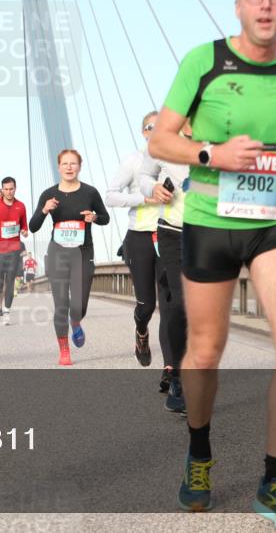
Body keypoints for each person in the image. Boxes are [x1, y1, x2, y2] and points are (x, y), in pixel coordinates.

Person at [148, 0, 276, 529]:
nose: (266, 6)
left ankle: (274, 483)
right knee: (205, 352)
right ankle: (199, 453)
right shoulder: (203, 61)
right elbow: (161, 139)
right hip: (209, 218)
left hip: (273, 217)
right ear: (238, 5)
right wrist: (212, 154)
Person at [106, 111, 172, 373]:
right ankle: (141, 331)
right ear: (144, 132)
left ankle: (171, 370)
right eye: (150, 127)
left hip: (169, 235)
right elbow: (110, 196)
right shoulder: (134, 161)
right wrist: (143, 199)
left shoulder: (175, 161)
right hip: (140, 237)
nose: (156, 131)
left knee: (170, 305)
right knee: (147, 304)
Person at [29, 149, 109, 365]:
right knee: (61, 303)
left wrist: (94, 217)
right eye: (65, 164)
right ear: (59, 167)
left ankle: (76, 322)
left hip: (83, 252)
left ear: (79, 166)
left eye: (73, 164)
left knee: (79, 306)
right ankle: (64, 350)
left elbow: (106, 218)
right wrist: (44, 210)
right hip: (58, 252)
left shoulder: (90, 193)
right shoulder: (48, 194)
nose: (69, 167)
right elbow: (33, 226)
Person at [139, 121, 193, 414]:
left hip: (210, 233)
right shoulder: (164, 141)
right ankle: (179, 379)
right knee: (180, 305)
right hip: (173, 232)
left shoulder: (222, 135)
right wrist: (154, 187)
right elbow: (145, 175)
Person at [0, 176, 29, 325]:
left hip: (14, 249)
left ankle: (7, 311)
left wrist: (25, 231)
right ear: (2, 190)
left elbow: (24, 224)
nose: (9, 192)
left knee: (10, 282)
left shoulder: (21, 206)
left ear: (15, 189)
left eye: (11, 189)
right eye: (6, 189)